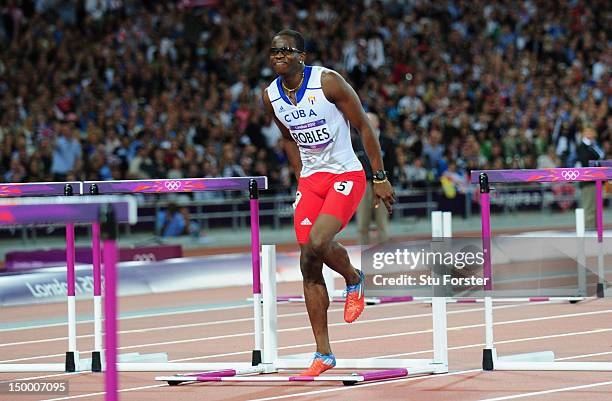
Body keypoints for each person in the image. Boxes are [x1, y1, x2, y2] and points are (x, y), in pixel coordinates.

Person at [262, 29, 395, 376]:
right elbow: (288, 138)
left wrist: (379, 177)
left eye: (286, 51)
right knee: (308, 262)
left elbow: (364, 127)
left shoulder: (328, 82)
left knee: (318, 243)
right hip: (312, 180)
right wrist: (300, 177)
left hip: (346, 175)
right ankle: (323, 354)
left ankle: (353, 278)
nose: (278, 56)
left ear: (301, 55)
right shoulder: (271, 96)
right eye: (273, 52)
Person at [354, 112, 390, 245]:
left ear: (377, 123)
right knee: (362, 222)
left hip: (382, 183)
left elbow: (392, 164)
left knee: (382, 221)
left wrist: (386, 182)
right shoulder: (356, 141)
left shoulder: (387, 141)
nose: (366, 122)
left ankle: (385, 253)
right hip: (363, 185)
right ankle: (362, 251)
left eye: (369, 120)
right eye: (365, 119)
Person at [576, 126, 604, 230]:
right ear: (583, 133)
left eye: (592, 130)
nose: (591, 132)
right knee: (589, 207)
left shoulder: (594, 145)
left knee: (596, 208)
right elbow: (585, 160)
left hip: (596, 180)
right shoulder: (582, 146)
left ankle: (595, 229)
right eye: (588, 131)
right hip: (588, 181)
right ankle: (589, 230)